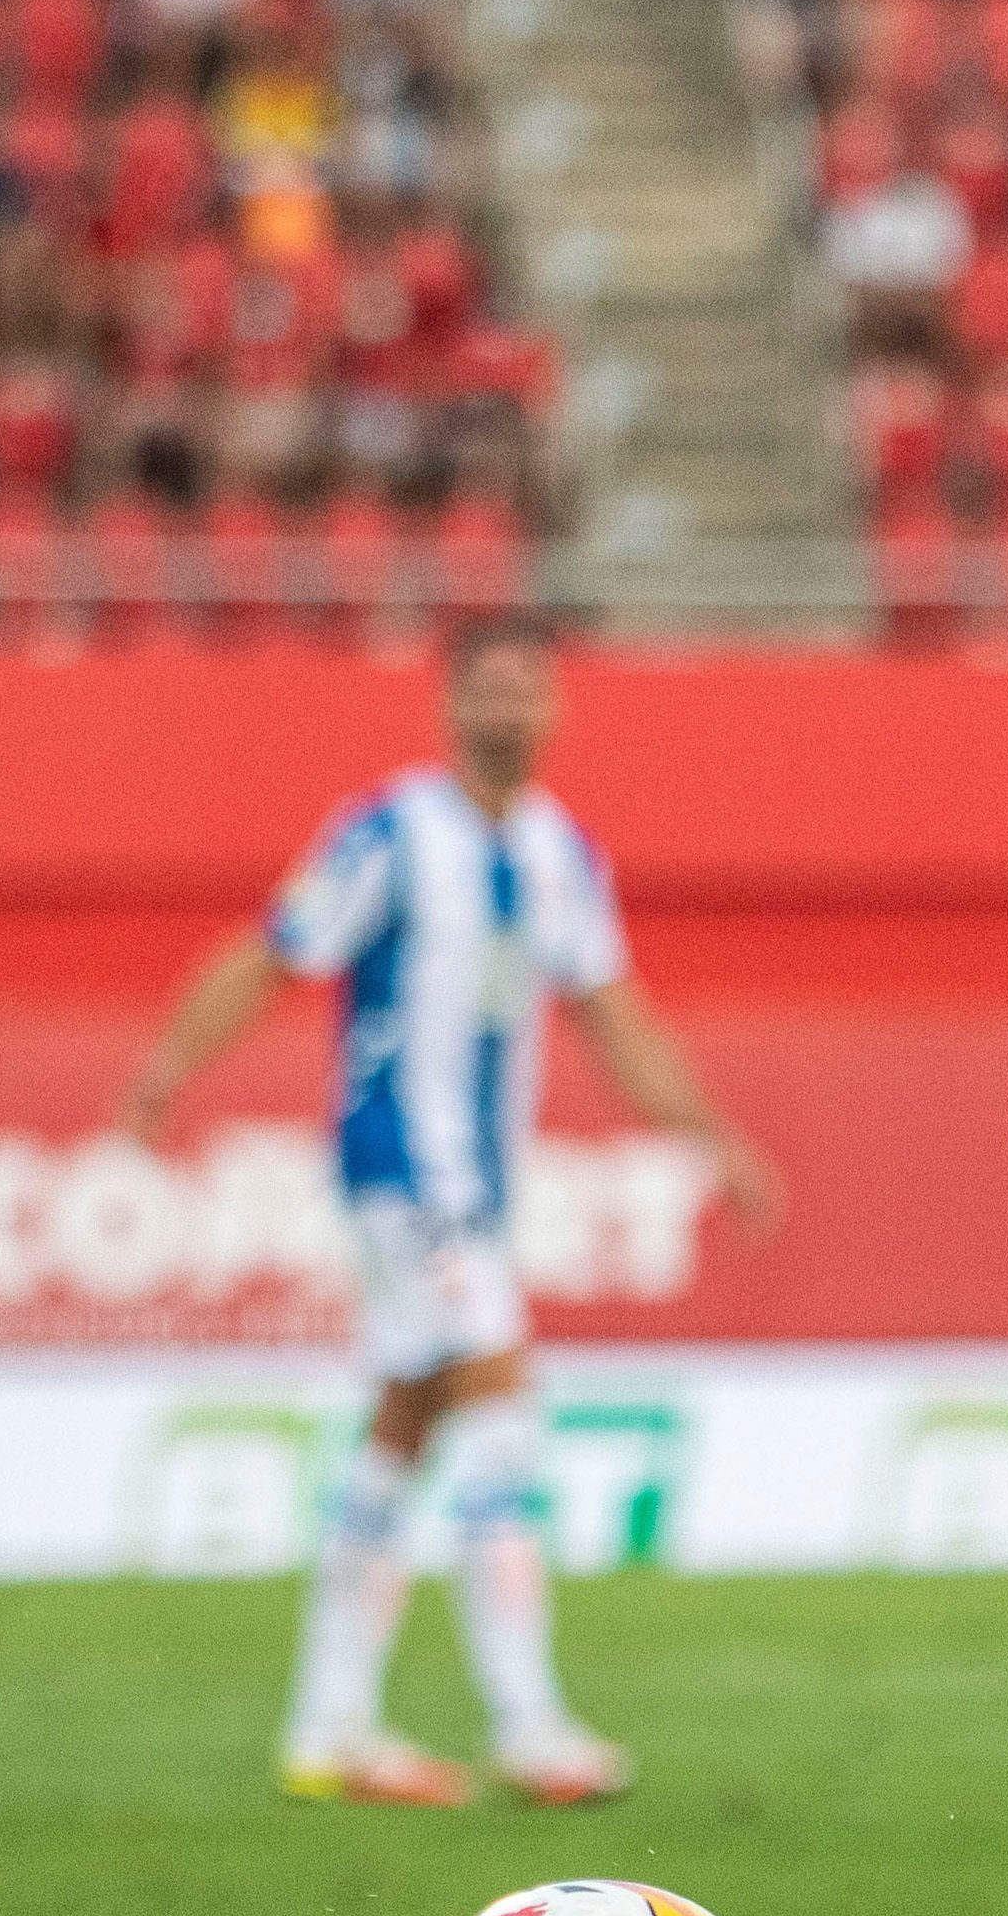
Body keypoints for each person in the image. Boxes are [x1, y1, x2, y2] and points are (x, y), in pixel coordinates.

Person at [118, 621, 784, 1807]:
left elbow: (614, 1015)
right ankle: (528, 1725)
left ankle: (330, 1730)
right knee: (500, 1407)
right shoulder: (386, 833)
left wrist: (713, 1137)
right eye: (488, 689)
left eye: (528, 690)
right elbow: (275, 952)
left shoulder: (560, 853)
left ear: (557, 710)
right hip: (399, 1169)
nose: (509, 710)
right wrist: (172, 1067)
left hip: (475, 1185)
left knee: (403, 1429)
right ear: (448, 705)